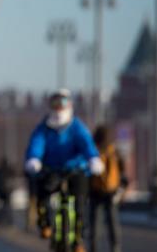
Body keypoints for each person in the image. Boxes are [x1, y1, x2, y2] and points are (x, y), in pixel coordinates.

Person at [24, 89, 103, 252]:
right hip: (52, 169)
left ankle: (79, 239)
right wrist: (34, 159)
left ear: (70, 105)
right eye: (55, 104)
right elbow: (36, 144)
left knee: (80, 202)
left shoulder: (76, 127)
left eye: (63, 104)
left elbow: (86, 144)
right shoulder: (44, 127)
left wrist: (93, 159)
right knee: (43, 192)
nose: (59, 108)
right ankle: (44, 223)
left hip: (76, 169)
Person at [89, 125, 127, 252]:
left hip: (95, 191)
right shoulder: (114, 151)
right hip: (111, 191)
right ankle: (115, 247)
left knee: (95, 223)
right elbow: (122, 171)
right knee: (112, 222)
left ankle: (93, 248)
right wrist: (122, 189)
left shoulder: (93, 151)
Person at [0, 157, 16, 226]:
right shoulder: (8, 170)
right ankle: (8, 222)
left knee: (2, 208)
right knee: (7, 208)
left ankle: (0, 222)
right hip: (7, 192)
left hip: (2, 192)